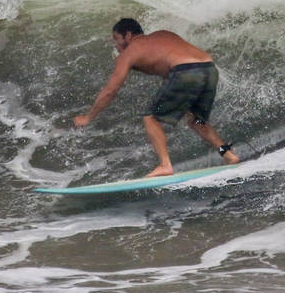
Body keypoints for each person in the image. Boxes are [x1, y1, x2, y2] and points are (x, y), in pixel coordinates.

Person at [74, 18, 241, 177]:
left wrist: (88, 117)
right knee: (196, 121)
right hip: (209, 69)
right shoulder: (164, 35)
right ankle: (227, 154)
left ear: (128, 35)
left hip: (185, 72)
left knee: (151, 118)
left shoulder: (130, 52)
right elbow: (171, 61)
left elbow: (111, 90)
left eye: (116, 39)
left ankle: (165, 165)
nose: (116, 45)